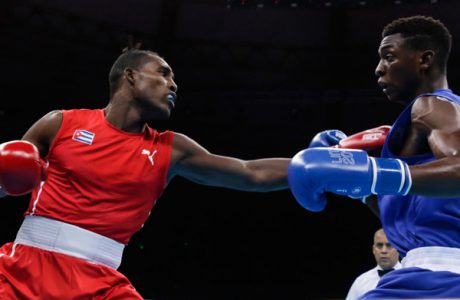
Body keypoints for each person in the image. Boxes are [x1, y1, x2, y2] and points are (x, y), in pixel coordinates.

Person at [0, 48, 295, 299]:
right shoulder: (61, 123)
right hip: (22, 272)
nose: (173, 85)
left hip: (100, 285)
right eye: (164, 74)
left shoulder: (171, 149)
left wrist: (314, 164)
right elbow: (5, 179)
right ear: (131, 76)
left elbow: (250, 172)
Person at [288, 15, 460, 298]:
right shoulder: (422, 129)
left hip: (438, 278)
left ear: (425, 60)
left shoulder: (433, 107)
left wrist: (372, 173)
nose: (379, 69)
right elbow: (409, 220)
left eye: (389, 57)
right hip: (426, 274)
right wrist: (362, 189)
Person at [346, 228, 401, 300]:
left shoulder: (411, 277)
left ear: (398, 248)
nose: (383, 251)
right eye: (379, 245)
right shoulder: (361, 281)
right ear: (373, 250)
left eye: (389, 245)